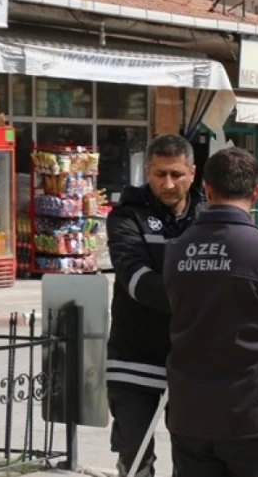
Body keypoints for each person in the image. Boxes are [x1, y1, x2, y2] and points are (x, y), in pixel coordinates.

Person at [163, 147, 258, 477]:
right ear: (256, 192)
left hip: (191, 414)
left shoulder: (177, 248)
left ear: (205, 188)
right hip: (256, 416)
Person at [105, 134, 205, 477]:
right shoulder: (125, 216)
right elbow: (136, 279)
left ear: (192, 173)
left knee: (195, 460)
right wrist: (199, 306)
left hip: (192, 363)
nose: (168, 183)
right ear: (147, 172)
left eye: (176, 174)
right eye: (160, 173)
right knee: (134, 462)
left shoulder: (208, 217)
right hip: (133, 360)